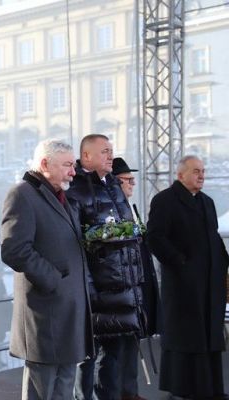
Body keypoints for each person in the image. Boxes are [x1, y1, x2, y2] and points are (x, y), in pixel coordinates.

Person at [1, 139, 93, 400]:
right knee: (42, 389)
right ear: (45, 164)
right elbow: (14, 250)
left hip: (67, 309)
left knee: (64, 384)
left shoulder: (60, 196)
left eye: (73, 165)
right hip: (45, 311)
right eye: (67, 165)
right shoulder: (22, 194)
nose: (73, 172)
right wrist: (54, 280)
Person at [66, 134, 146, 400]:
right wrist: (89, 287)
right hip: (97, 288)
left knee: (113, 354)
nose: (110, 156)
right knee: (90, 356)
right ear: (86, 156)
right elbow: (75, 244)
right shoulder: (75, 190)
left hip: (122, 284)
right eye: (104, 151)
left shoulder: (111, 185)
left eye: (111, 150)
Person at [147, 155, 229, 400]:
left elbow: (212, 237)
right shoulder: (165, 201)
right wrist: (180, 262)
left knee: (208, 334)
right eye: (196, 171)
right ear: (180, 175)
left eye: (203, 171)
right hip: (183, 283)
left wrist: (223, 261)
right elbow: (155, 238)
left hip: (209, 281)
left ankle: (210, 388)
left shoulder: (207, 202)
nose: (201, 175)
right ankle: (185, 389)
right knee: (188, 336)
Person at [112, 157, 161, 400]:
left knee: (131, 343)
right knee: (115, 350)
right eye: (127, 179)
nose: (133, 184)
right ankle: (120, 393)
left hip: (137, 287)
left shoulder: (130, 210)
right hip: (120, 289)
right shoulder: (110, 213)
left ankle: (130, 392)